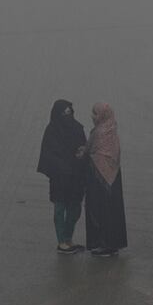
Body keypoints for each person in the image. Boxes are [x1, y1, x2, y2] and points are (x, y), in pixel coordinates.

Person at [36, 99, 87, 254]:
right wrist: (61, 166)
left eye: (69, 113)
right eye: (64, 113)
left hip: (76, 176)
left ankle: (68, 238)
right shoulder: (51, 131)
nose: (68, 116)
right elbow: (47, 154)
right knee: (60, 208)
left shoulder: (78, 128)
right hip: (59, 177)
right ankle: (62, 242)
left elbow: (84, 147)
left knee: (75, 208)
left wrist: (81, 154)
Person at [84, 102, 127, 257]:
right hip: (113, 176)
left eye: (95, 114)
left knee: (99, 210)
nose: (93, 117)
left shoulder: (99, 132)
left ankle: (103, 244)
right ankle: (113, 243)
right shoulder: (111, 129)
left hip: (98, 176)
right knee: (112, 211)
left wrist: (82, 153)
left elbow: (90, 150)